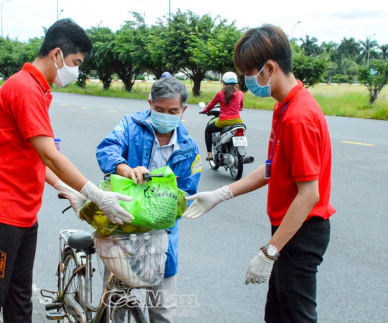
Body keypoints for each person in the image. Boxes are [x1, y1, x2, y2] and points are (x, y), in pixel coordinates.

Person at [0, 19, 134, 323]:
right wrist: (94, 194)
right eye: (75, 62)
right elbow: (50, 155)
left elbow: (36, 157)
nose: (76, 71)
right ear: (57, 54)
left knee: (19, 300)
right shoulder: (24, 88)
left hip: (23, 213)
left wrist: (67, 190)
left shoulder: (39, 90)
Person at [182, 24, 336, 323]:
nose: (246, 81)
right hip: (288, 229)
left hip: (301, 231)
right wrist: (221, 193)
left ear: (269, 68)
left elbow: (309, 194)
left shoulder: (298, 117)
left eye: (248, 74)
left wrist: (270, 252)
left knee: (296, 317)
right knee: (277, 315)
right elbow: (271, 169)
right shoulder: (285, 106)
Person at [96, 77, 201, 322]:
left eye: (173, 111)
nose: (166, 115)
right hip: (123, 224)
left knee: (162, 308)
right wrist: (125, 169)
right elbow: (106, 148)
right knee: (115, 303)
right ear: (150, 104)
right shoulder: (130, 126)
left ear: (183, 111)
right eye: (160, 110)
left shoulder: (188, 147)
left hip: (161, 235)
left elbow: (187, 192)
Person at [200, 71, 244, 161]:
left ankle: (209, 154)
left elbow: (211, 104)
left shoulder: (220, 94)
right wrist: (238, 109)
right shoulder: (240, 93)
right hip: (238, 122)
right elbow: (241, 105)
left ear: (223, 83)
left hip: (223, 121)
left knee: (208, 130)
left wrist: (204, 111)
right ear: (235, 83)